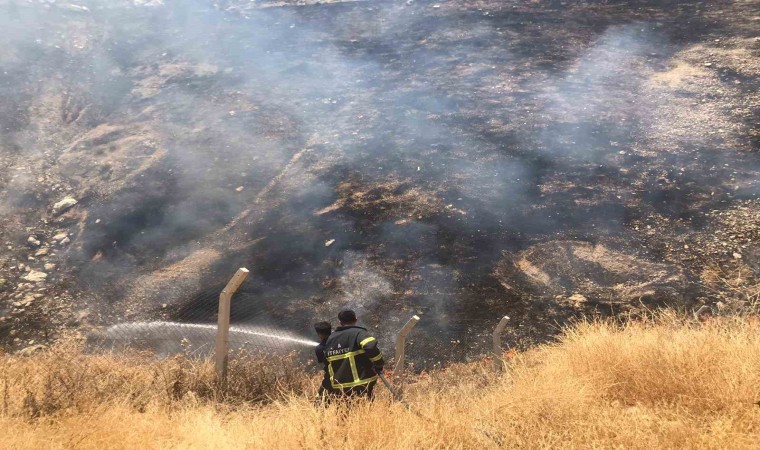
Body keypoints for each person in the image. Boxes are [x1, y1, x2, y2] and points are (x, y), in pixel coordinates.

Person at [323, 310, 385, 398]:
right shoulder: (359, 333)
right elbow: (370, 346)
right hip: (361, 382)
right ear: (356, 319)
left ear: (340, 322)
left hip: (339, 385)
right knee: (365, 405)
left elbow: (326, 359)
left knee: (346, 406)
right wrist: (379, 364)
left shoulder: (331, 338)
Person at [313, 321, 334, 398]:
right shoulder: (340, 341)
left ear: (319, 334)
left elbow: (321, 362)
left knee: (319, 399)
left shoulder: (319, 349)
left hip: (331, 376)